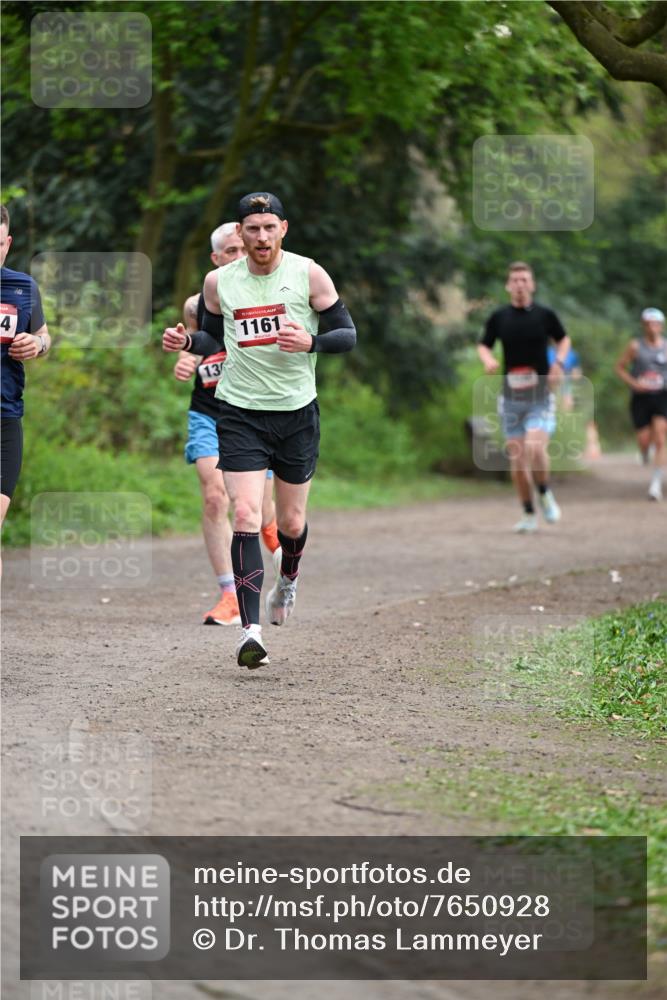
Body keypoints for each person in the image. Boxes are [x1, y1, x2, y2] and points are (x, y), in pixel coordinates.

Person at [164, 192, 356, 667]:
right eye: (252, 229)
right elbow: (212, 335)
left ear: (283, 229)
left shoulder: (308, 273)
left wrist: (310, 340)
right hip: (239, 412)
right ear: (241, 232)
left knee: (290, 524)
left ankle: (287, 579)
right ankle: (250, 632)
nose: (261, 237)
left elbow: (347, 334)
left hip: (295, 413)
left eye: (269, 227)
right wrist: (188, 341)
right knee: (245, 513)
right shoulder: (218, 282)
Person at [174, 223, 280, 626]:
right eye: (230, 252)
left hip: (257, 413)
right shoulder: (196, 303)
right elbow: (199, 343)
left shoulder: (271, 298)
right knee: (216, 496)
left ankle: (275, 544)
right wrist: (186, 358)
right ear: (216, 260)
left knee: (258, 509)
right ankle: (229, 595)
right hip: (209, 410)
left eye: (243, 250)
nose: (239, 257)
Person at [478, 261, 571, 533]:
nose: (519, 284)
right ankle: (529, 514)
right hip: (510, 398)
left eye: (524, 280)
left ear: (532, 285)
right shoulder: (499, 317)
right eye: (515, 280)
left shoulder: (545, 315)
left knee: (534, 447)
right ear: (508, 286)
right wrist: (488, 360)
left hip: (540, 395)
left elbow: (563, 340)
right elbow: (484, 344)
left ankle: (544, 492)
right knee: (518, 462)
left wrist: (559, 363)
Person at [1, 204, 51, 541]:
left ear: (8, 242)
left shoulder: (22, 287)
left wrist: (37, 344)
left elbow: (45, 336)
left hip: (4, 418)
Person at [615, 307, 667, 501]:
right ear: (644, 326)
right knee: (644, 440)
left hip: (662, 396)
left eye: (656, 323)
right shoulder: (635, 346)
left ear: (661, 325)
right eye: (648, 324)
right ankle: (645, 452)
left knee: (661, 438)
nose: (652, 327)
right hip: (641, 398)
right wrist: (635, 384)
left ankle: (655, 484)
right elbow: (620, 368)